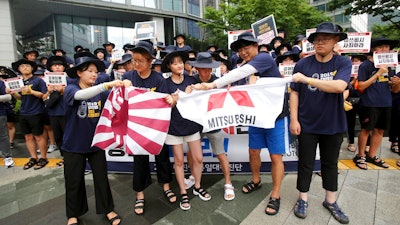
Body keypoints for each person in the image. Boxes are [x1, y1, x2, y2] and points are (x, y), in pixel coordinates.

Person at [193, 31, 289, 216]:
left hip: (276, 116)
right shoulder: (246, 67)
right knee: (253, 151)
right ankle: (256, 180)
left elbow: (241, 72)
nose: (244, 52)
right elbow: (238, 87)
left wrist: (213, 85)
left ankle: (275, 195)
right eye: (240, 50)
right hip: (256, 116)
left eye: (247, 48)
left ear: (256, 46)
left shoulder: (264, 58)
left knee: (276, 156)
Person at [289, 22, 351, 224]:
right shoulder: (302, 65)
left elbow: (340, 86)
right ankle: (302, 198)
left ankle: (330, 201)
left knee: (330, 164)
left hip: (333, 123)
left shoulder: (342, 63)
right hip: (307, 123)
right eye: (317, 39)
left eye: (326, 38)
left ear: (335, 41)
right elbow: (295, 94)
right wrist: (294, 119)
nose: (320, 42)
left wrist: (308, 80)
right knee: (305, 163)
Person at [62, 52, 123, 225]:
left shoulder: (101, 93)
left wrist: (124, 87)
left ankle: (108, 209)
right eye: (89, 71)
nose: (94, 74)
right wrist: (106, 85)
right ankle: (73, 214)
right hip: (73, 145)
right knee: (74, 181)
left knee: (101, 179)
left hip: (96, 144)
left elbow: (116, 100)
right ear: (79, 73)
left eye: (96, 71)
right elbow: (80, 96)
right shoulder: (71, 89)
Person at [120, 41, 175, 215]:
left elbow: (167, 103)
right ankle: (140, 194)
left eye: (140, 61)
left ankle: (166, 186)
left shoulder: (158, 79)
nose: (136, 64)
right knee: (139, 161)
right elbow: (121, 101)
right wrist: (123, 88)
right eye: (134, 60)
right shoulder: (128, 78)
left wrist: (169, 100)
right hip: (136, 128)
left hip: (156, 127)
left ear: (150, 61)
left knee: (162, 157)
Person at [162, 50, 211, 211]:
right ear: (169, 66)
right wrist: (182, 95)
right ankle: (183, 191)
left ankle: (197, 186)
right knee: (179, 161)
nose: (179, 65)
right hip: (174, 127)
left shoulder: (191, 79)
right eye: (175, 63)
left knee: (197, 158)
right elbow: (167, 104)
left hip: (191, 125)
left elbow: (203, 93)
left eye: (180, 62)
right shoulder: (165, 83)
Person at [185, 52, 235, 201]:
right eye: (203, 68)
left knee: (221, 154)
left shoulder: (218, 82)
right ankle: (193, 176)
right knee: (191, 153)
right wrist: (187, 92)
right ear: (197, 69)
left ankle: (228, 183)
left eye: (209, 69)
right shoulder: (190, 81)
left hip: (213, 124)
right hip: (195, 125)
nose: (206, 72)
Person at [353, 37, 399, 170]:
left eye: (387, 47)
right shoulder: (365, 65)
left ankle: (372, 155)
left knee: (380, 130)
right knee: (366, 129)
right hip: (369, 103)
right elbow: (361, 86)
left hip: (386, 102)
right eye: (381, 47)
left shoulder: (389, 66)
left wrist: (396, 83)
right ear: (373, 49)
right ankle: (360, 155)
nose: (385, 49)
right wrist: (377, 73)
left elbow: (394, 89)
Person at [10, 58, 49, 170]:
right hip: (23, 112)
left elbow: (43, 95)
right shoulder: (19, 82)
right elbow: (20, 97)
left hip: (36, 112)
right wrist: (13, 93)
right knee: (27, 136)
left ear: (32, 68)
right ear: (19, 69)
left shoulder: (38, 80)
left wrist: (31, 91)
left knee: (38, 136)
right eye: (22, 66)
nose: (25, 68)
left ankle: (44, 157)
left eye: (27, 66)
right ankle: (33, 157)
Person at [43, 55, 69, 167]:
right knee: (58, 137)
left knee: (68, 136)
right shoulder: (46, 81)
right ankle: (64, 157)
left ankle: (70, 157)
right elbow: (43, 99)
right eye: (55, 65)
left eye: (60, 65)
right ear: (51, 68)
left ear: (64, 67)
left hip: (67, 113)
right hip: (53, 113)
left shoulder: (69, 79)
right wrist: (49, 92)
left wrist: (64, 90)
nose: (57, 67)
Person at [0, 77, 14, 168]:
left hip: (0, 113)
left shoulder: (0, 83)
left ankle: (7, 156)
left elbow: (8, 96)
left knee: (2, 136)